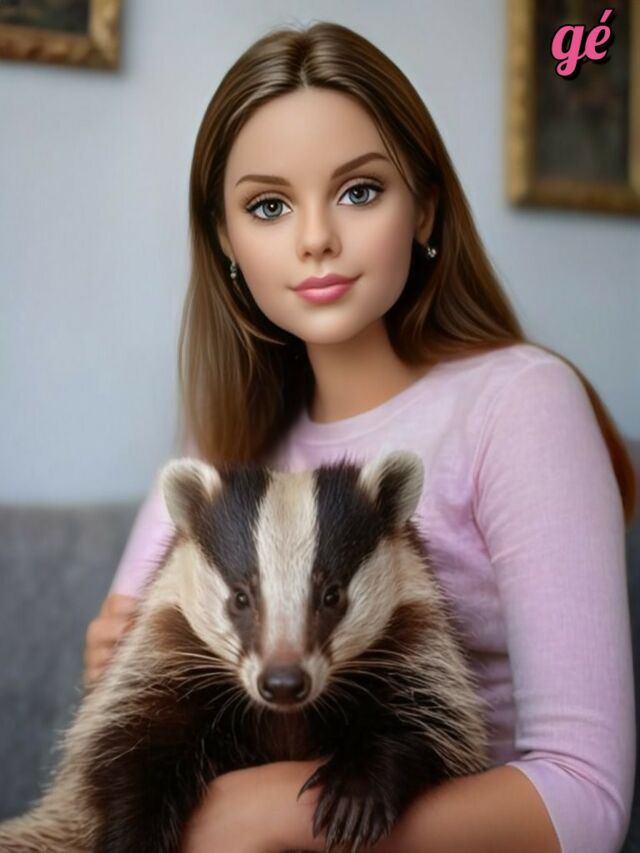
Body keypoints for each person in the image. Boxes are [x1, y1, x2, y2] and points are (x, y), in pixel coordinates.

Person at [83, 21, 636, 853]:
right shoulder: (223, 439)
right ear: (226, 239)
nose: (316, 238)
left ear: (425, 208)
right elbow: (122, 704)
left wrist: (272, 810)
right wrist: (108, 656)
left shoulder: (519, 403)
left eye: (359, 191)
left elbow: (589, 801)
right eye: (269, 206)